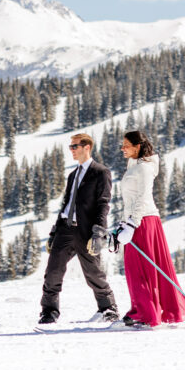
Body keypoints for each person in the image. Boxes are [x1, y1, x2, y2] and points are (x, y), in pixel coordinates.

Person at [114, 130, 185, 327]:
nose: (122, 148)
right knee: (135, 269)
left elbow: (143, 198)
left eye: (126, 145)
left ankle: (146, 313)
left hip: (143, 221)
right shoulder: (134, 165)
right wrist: (124, 222)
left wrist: (132, 224)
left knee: (141, 269)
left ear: (138, 147)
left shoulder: (144, 168)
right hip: (136, 220)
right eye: (122, 145)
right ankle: (141, 309)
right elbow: (132, 199)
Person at [38, 133, 118, 325]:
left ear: (86, 147)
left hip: (85, 230)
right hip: (65, 229)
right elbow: (66, 204)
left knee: (93, 272)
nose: (71, 150)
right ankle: (49, 312)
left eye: (75, 146)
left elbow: (103, 204)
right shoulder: (73, 175)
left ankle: (108, 309)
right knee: (53, 271)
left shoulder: (101, 172)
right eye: (70, 147)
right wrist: (54, 232)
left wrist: (98, 232)